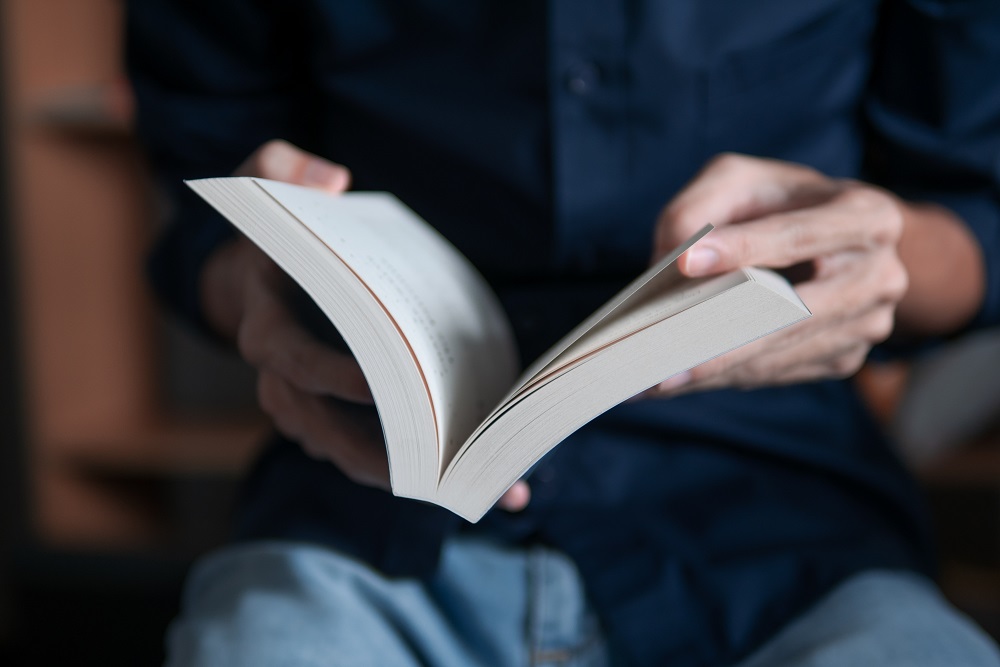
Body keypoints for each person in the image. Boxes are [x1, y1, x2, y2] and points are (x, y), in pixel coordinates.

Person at [126, 1, 1000, 665]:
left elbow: (979, 210)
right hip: (370, 513)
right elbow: (203, 196)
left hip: (786, 520)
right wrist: (256, 282)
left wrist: (878, 252)